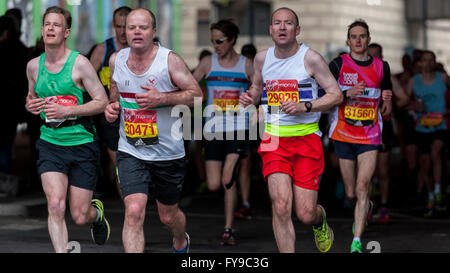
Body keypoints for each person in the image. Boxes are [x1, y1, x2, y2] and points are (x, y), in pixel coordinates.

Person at [239, 7, 343, 253]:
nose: (282, 27)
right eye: (277, 23)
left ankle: (320, 220)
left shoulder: (311, 58)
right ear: (271, 29)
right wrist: (250, 97)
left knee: (305, 213)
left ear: (297, 29)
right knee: (281, 205)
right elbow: (256, 88)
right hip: (274, 140)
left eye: (288, 23)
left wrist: (305, 105)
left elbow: (336, 95)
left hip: (306, 139)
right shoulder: (262, 59)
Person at [104, 8, 202, 253]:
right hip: (131, 150)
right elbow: (114, 90)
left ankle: (181, 239)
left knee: (167, 217)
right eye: (131, 27)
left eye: (143, 27)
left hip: (168, 154)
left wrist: (162, 99)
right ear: (124, 32)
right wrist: (112, 106)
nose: (137, 32)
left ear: (154, 31)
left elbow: (197, 95)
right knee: (134, 211)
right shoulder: (116, 59)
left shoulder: (168, 60)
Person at [24, 6, 110, 253]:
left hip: (81, 143)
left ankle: (97, 214)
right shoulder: (32, 66)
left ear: (66, 32)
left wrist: (67, 111)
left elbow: (101, 101)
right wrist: (30, 104)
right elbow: (31, 97)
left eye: (57, 25)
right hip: (50, 143)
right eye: (47, 24)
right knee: (54, 205)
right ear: (42, 30)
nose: (51, 28)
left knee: (80, 215)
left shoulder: (80, 64)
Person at [328, 19, 393, 253]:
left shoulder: (381, 67)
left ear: (368, 39)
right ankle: (365, 206)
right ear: (348, 41)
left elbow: (387, 107)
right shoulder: (337, 65)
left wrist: (387, 101)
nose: (358, 40)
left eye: (362, 36)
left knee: (363, 185)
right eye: (353, 36)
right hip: (343, 134)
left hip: (370, 134)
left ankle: (356, 241)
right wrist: (345, 93)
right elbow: (324, 96)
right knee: (351, 192)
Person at [193, 19, 254, 245]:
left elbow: (260, 89)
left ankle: (229, 228)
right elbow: (188, 84)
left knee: (228, 178)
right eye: (213, 41)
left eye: (219, 41)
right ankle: (234, 193)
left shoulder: (246, 65)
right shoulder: (208, 62)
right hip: (214, 129)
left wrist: (252, 98)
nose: (215, 45)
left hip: (239, 128)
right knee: (213, 184)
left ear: (232, 40)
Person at [89, 6, 131, 198]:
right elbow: (84, 79)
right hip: (111, 117)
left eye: (127, 26)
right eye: (118, 26)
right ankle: (129, 208)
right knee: (120, 164)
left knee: (135, 164)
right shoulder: (102, 49)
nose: (122, 32)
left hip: (137, 115)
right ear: (113, 26)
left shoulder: (141, 50)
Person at [368, 43, 409, 223]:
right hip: (363, 129)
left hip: (383, 128)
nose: (374, 59)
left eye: (377, 56)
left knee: (383, 169)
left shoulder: (388, 77)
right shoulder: (358, 75)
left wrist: (390, 106)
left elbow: (405, 98)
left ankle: (383, 206)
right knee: (367, 172)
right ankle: (368, 205)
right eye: (371, 56)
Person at [406, 50, 449, 217]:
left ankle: (438, 190)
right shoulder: (413, 81)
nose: (428, 63)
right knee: (425, 163)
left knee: (436, 152)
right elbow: (402, 102)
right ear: (420, 63)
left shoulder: (443, 78)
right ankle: (431, 195)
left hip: (441, 124)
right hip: (422, 126)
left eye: (432, 60)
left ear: (434, 62)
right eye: (425, 60)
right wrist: (414, 107)